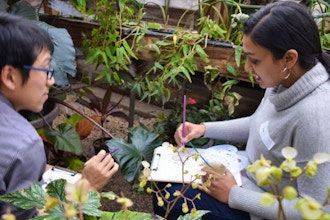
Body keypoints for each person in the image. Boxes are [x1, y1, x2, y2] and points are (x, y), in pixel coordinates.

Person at [153, 1, 330, 219]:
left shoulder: (316, 117)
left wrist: (235, 195)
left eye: (254, 59)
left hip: (257, 207)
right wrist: (203, 129)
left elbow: (318, 211)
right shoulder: (282, 82)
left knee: (171, 194)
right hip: (243, 180)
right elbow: (259, 124)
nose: (247, 67)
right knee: (165, 182)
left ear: (289, 58)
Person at [0, 12, 119, 219]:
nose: (51, 81)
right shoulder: (23, 144)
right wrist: (86, 185)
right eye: (46, 68)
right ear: (10, 76)